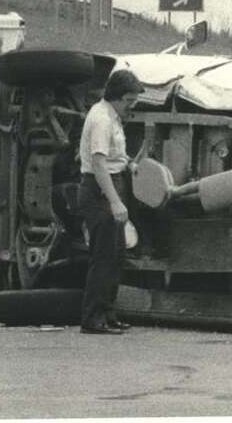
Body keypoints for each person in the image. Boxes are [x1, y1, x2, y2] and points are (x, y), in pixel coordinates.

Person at [76, 68, 144, 335]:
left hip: (112, 183)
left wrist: (128, 164)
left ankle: (107, 313)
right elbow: (99, 163)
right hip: (99, 189)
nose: (132, 106)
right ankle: (92, 318)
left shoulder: (112, 116)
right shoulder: (102, 119)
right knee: (103, 257)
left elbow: (114, 156)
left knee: (116, 255)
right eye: (129, 101)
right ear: (116, 97)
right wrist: (115, 202)